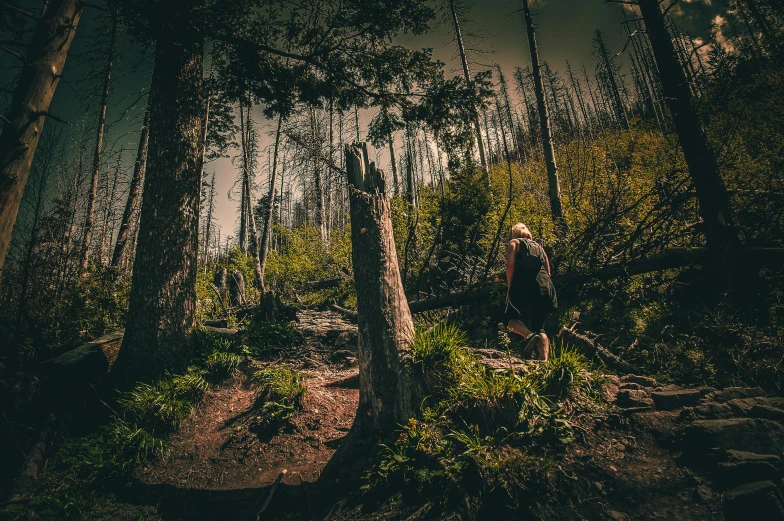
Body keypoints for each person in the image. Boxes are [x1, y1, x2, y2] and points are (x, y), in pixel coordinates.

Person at [502, 223, 557, 360]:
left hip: (523, 286)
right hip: (545, 287)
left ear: (515, 233)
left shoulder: (514, 243)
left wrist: (510, 287)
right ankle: (545, 362)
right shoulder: (539, 247)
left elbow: (510, 266)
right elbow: (548, 271)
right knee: (540, 326)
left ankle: (530, 336)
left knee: (509, 320)